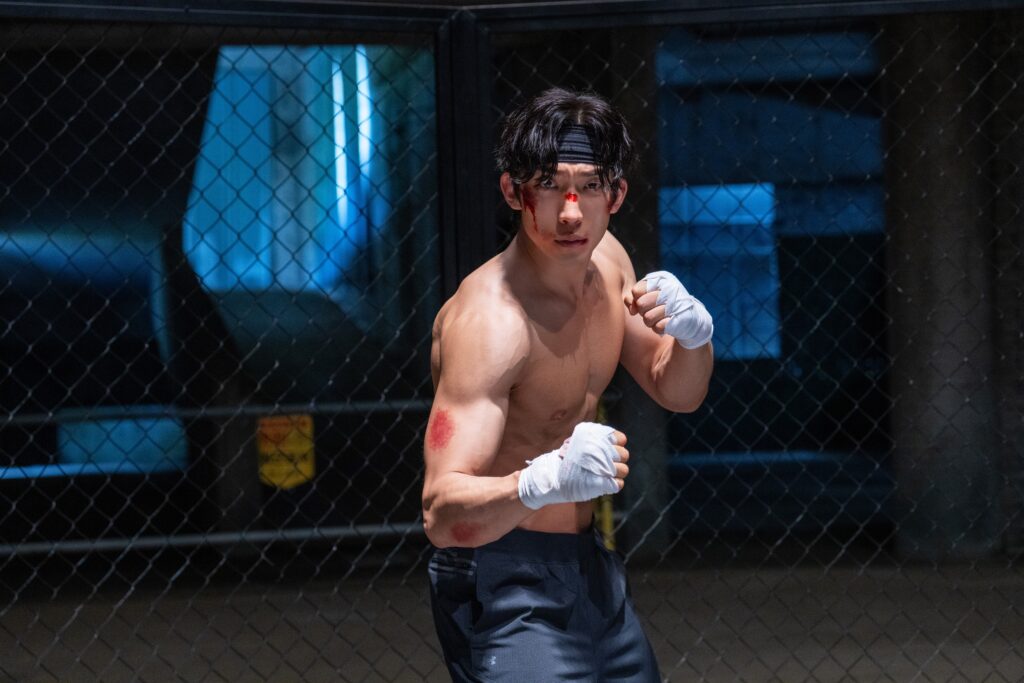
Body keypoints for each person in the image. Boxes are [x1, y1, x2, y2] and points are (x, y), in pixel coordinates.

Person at [421, 87, 714, 682]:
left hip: (589, 569)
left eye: (590, 187)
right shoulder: (491, 324)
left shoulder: (609, 266)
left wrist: (694, 337)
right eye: (550, 186)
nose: (572, 212)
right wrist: (544, 479)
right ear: (513, 192)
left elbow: (678, 391)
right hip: (501, 576)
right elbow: (441, 515)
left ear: (617, 195)